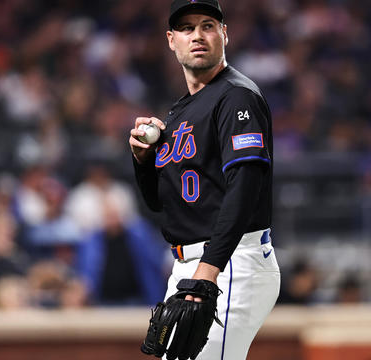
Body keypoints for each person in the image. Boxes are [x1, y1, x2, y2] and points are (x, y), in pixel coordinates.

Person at [129, 1, 280, 359]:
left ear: (224, 34)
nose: (197, 35)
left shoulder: (235, 96)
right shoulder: (181, 110)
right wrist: (141, 160)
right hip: (190, 264)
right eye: (186, 28)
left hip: (229, 262)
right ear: (171, 40)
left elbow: (246, 185)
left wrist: (208, 270)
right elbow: (158, 203)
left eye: (208, 25)